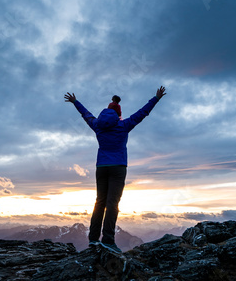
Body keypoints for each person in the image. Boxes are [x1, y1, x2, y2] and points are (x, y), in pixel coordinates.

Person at [64, 86, 167, 253]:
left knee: (100, 202)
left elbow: (86, 114)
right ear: (119, 114)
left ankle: (93, 239)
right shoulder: (124, 125)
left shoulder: (97, 125)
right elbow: (142, 113)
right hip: (118, 167)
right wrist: (156, 98)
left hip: (101, 167)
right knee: (113, 204)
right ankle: (108, 240)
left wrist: (75, 101)